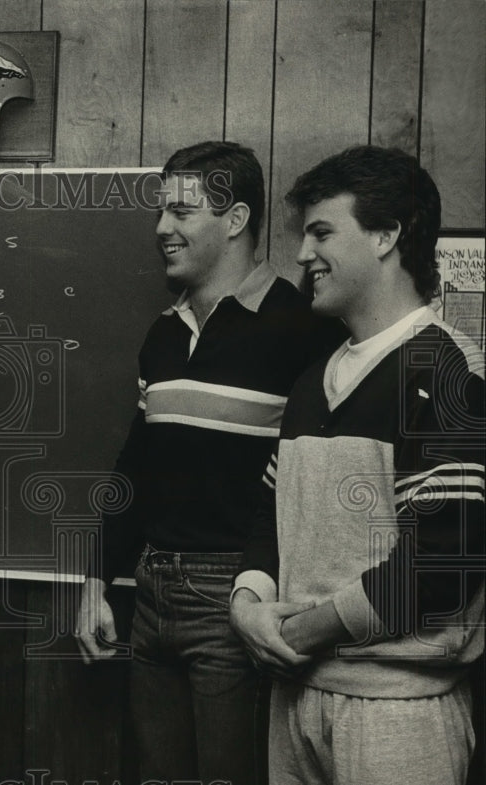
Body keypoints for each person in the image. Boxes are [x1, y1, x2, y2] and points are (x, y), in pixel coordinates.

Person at [75, 141, 342, 784]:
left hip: (236, 598)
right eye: (160, 212)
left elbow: (310, 488)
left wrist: (261, 591)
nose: (162, 228)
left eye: (181, 212)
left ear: (235, 219)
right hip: (150, 593)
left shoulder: (304, 327)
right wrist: (95, 580)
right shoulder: (163, 333)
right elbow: (136, 465)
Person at [230, 145, 484, 785]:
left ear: (386, 236)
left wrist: (301, 633)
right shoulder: (315, 380)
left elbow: (442, 563)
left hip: (398, 712)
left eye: (321, 232)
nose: (301, 255)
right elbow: (271, 518)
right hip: (293, 699)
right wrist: (247, 607)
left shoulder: (451, 371)